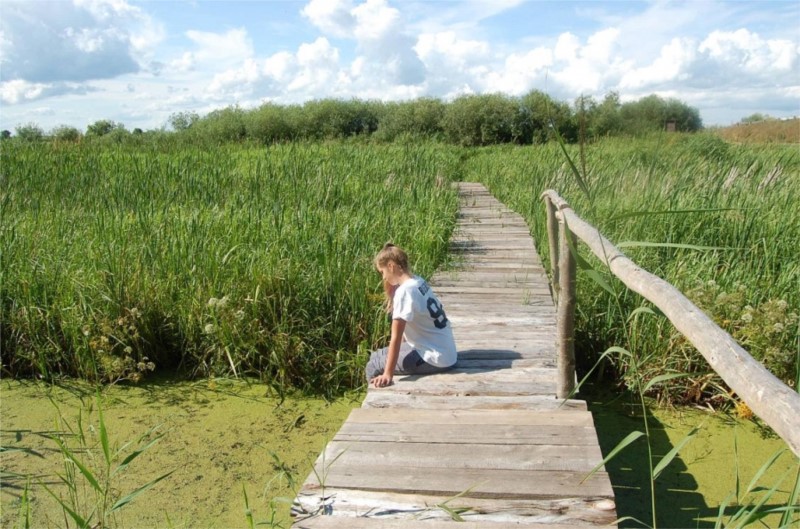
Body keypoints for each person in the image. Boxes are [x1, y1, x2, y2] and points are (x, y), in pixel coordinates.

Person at [366, 243, 457, 388]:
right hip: (444, 350)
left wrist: (387, 374)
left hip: (435, 358)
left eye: (382, 272)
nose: (383, 278)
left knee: (374, 365)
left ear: (391, 266)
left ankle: (377, 406)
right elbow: (403, 336)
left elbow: (396, 338)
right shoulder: (418, 281)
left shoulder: (404, 292)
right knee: (376, 355)